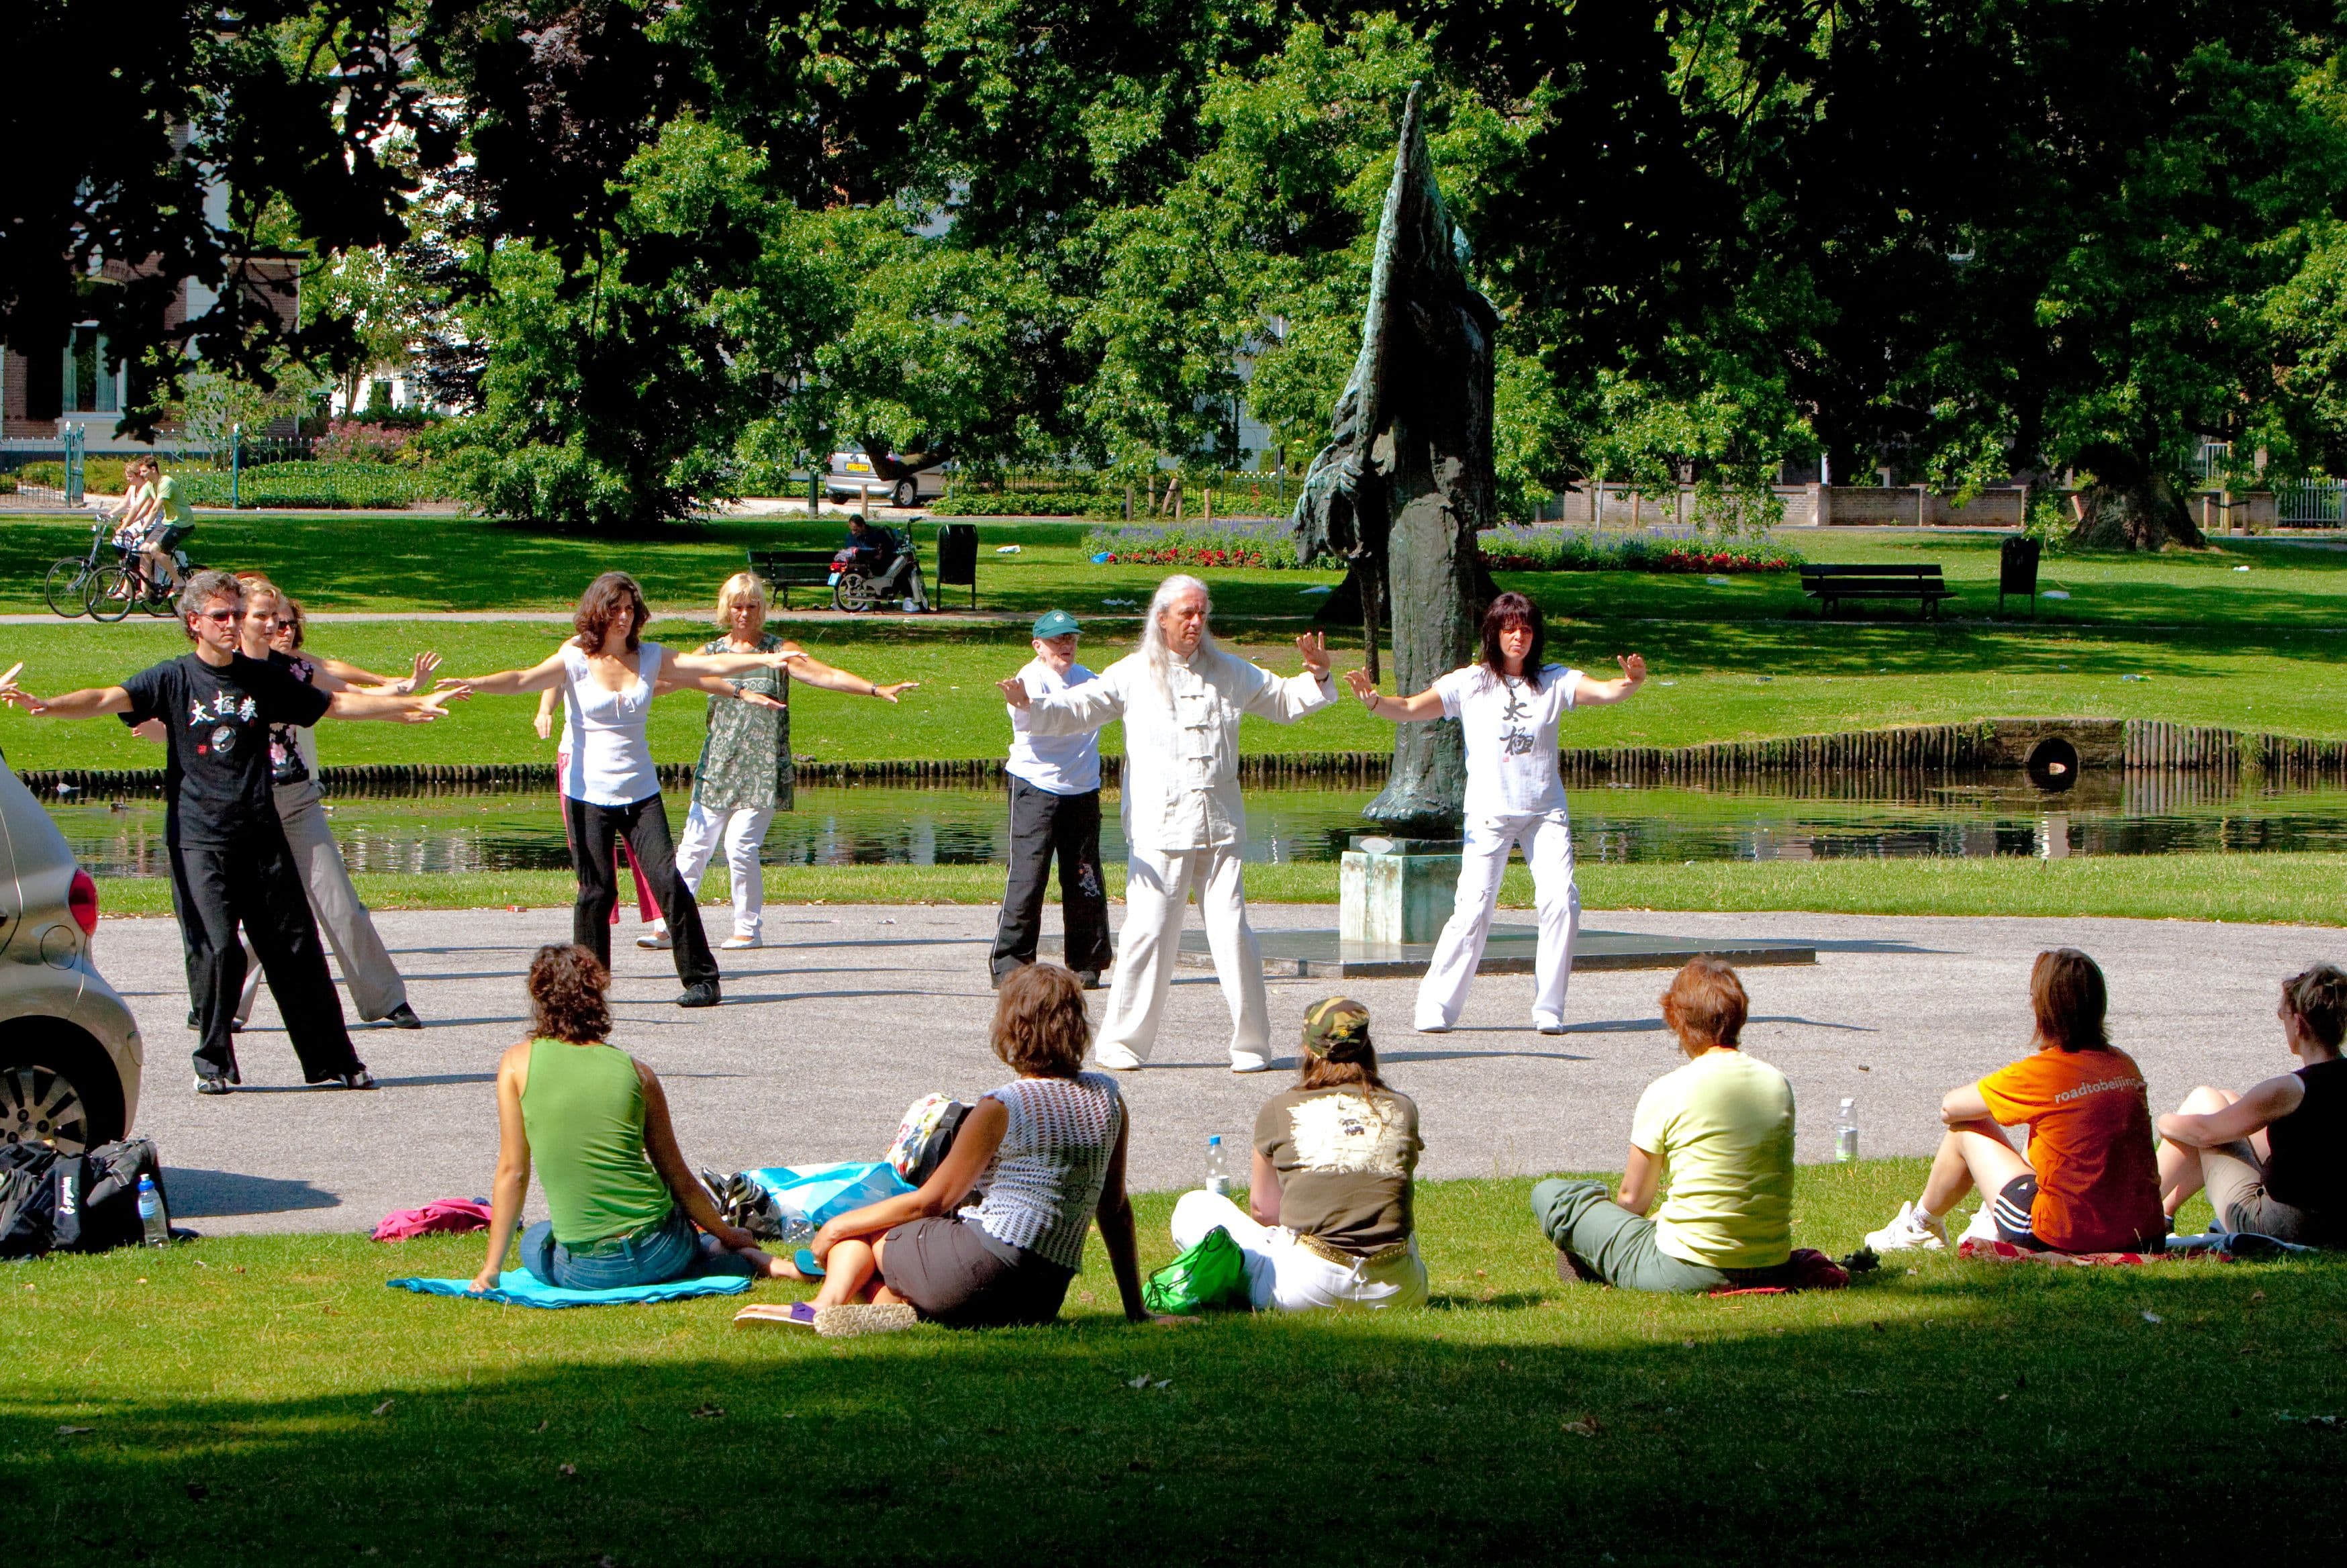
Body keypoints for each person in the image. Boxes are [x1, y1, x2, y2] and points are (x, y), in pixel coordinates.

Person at [0, 570, 458, 1092]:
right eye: (222, 616)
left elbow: (333, 704)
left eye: (237, 615)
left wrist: (407, 706)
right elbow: (108, 698)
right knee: (219, 949)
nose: (233, 625)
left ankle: (334, 1061)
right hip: (200, 838)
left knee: (294, 947)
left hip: (261, 835)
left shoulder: (259, 678)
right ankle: (214, 1062)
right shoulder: (174, 679)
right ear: (194, 622)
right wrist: (48, 705)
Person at [1000, 575, 1335, 1073]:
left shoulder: (1229, 671)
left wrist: (1319, 676)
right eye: (1186, 614)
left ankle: (1252, 1046)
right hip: (1160, 829)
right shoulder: (1133, 673)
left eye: (1203, 613)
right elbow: (1081, 706)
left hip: (1219, 829)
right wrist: (1030, 705)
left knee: (1234, 935)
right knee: (1147, 933)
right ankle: (1123, 1043)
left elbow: (1283, 700)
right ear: (1162, 619)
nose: (1197, 622)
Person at [440, 572, 803, 1007]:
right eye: (616, 608)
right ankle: (589, 989)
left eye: (631, 609)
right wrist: (476, 684)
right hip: (587, 793)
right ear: (599, 611)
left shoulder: (649, 656)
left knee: (669, 880)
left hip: (641, 792)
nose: (625, 617)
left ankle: (702, 979)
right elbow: (523, 679)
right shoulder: (575, 657)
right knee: (596, 891)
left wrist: (763, 662)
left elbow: (703, 667)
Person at [1345, 591, 1646, 1034]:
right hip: (1489, 813)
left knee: (1561, 901)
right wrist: (1373, 700)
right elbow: (1410, 708)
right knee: (1473, 909)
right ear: (1495, 633)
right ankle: (1437, 1007)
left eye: (1525, 629)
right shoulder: (1471, 682)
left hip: (1545, 812)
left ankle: (1549, 1009)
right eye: (1509, 629)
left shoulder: (1555, 680)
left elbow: (1604, 691)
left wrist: (1632, 682)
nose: (1518, 637)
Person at [803, 964, 1160, 1331]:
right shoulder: (1108, 1098)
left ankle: (823, 1305)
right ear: (1076, 1025)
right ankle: (890, 1303)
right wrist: (1136, 1310)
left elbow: (932, 1202)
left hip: (983, 1268)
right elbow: (1115, 1209)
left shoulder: (1003, 1106)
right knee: (907, 1244)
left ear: (1013, 1027)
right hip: (1042, 1296)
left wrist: (835, 1226)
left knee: (868, 1231)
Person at [469, 944, 799, 1292]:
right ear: (598, 995)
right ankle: (726, 1254)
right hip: (662, 1247)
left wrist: (492, 1269)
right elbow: (678, 1178)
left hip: (587, 1270)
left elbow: (513, 1172)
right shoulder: (638, 1073)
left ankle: (719, 1255)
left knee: (537, 1238)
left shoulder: (516, 1064)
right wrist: (728, 1233)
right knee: (683, 1242)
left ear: (540, 997)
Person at [640, 571, 918, 950]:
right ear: (726, 609)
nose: (744, 614)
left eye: (752, 606)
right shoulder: (710, 655)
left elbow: (827, 674)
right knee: (693, 846)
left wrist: (875, 689)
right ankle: (668, 926)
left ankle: (746, 928)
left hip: (764, 768)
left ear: (762, 609)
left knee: (739, 846)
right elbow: (662, 682)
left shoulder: (779, 650)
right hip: (718, 764)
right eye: (737, 606)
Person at [1866, 947, 2165, 1254]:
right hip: (2144, 1234)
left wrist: (2005, 1099)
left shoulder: (2046, 1072)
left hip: (2061, 1234)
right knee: (2051, 1131)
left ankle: (1920, 1226)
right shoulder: (2123, 1064)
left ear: (2044, 1008)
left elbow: (1950, 1108)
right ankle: (1983, 1219)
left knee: (1966, 1129)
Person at [1532, 957, 1798, 1291]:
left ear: (1677, 1019)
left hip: (1686, 1270)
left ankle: (1592, 1253)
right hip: (1772, 1264)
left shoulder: (1668, 1090)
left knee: (1551, 1194)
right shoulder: (1777, 1083)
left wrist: (1613, 1224)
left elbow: (1633, 1202)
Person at [1169, 997, 1428, 1310]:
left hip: (1310, 1288)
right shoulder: (1402, 1107)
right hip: (1401, 1290)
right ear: (1367, 1045)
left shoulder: (1281, 1108)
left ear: (1307, 1049)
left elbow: (1264, 1213)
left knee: (1193, 1206)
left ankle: (1231, 1282)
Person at [2155, 962, 2347, 1246]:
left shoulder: (2291, 1089)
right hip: (2336, 1222)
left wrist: (2163, 1121)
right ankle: (2163, 1215)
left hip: (2277, 1225)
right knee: (2230, 1100)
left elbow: (2204, 1132)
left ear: (2298, 1023)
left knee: (2205, 1100)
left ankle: (2127, 1215)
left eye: (2282, 1015)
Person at [990, 607, 1112, 989]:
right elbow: (1044, 724)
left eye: (1071, 639)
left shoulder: (1090, 680)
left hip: (1082, 790)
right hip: (1035, 788)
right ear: (1038, 646)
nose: (1066, 646)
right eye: (1057, 640)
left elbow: (1112, 704)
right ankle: (1010, 963)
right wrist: (1024, 703)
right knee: (1029, 876)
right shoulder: (1026, 680)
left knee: (1084, 876)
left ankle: (1087, 963)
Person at [842, 516, 928, 611]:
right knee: (904, 569)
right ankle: (907, 600)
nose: (854, 532)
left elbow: (886, 548)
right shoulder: (873, 533)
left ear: (863, 526)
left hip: (874, 563)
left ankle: (903, 600)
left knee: (901, 567)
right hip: (874, 564)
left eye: (856, 529)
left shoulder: (875, 533)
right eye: (853, 530)